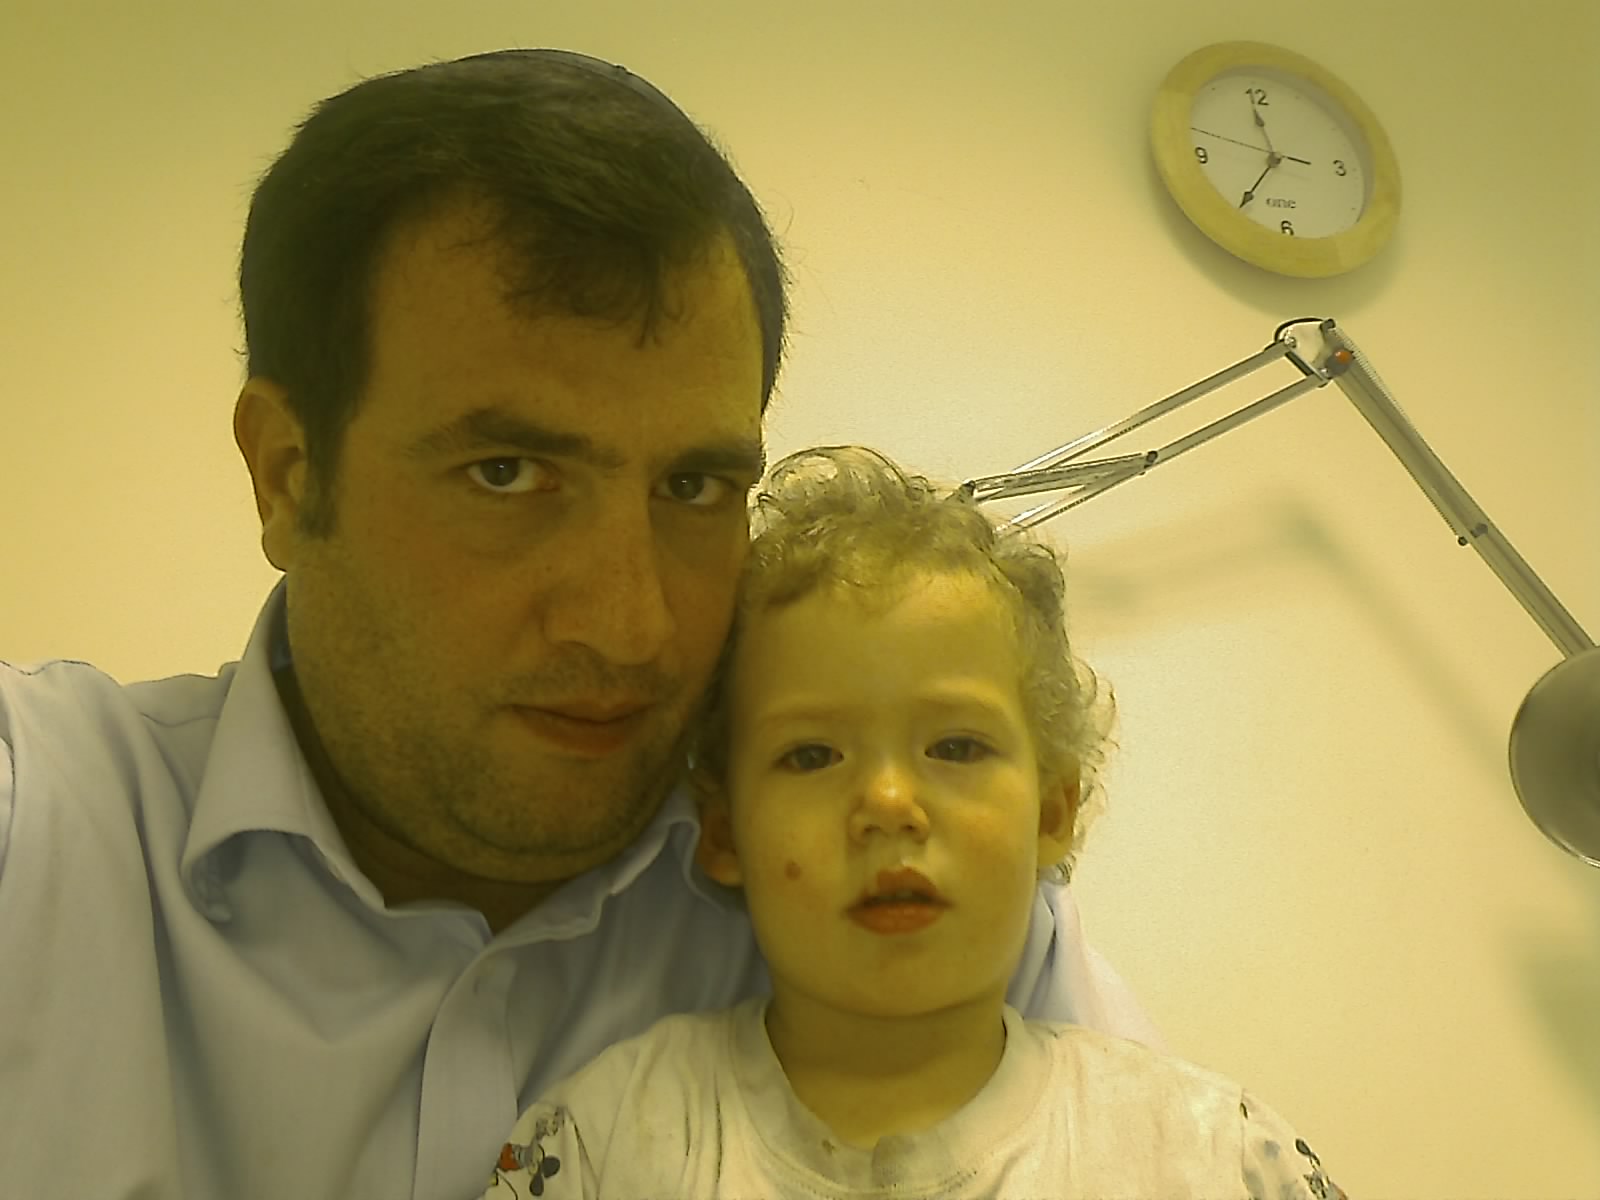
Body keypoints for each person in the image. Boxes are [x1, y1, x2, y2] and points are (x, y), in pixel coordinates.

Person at [0, 52, 1157, 1200]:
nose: (630, 625)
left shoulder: (891, 912)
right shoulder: (42, 825)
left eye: (694, 488)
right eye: (507, 473)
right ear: (288, 474)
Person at [476, 446, 1347, 1200]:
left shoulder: (1211, 1156)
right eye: (812, 755)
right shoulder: (600, 1146)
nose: (889, 804)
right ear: (727, 833)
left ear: (1052, 811)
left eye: (956, 747)